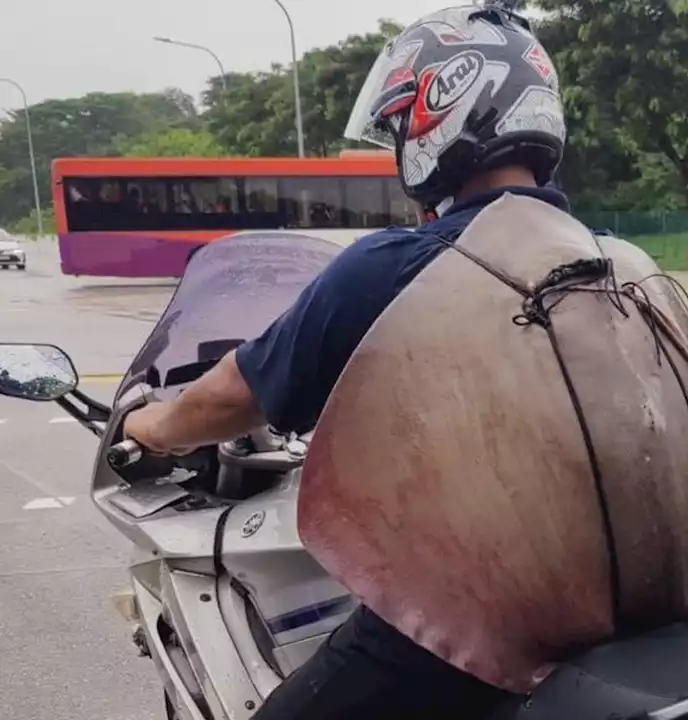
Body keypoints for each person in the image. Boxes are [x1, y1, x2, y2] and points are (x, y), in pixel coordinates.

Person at [122, 5, 575, 717]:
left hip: (474, 618)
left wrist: (149, 429)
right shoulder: (616, 264)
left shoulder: (407, 264)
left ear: (442, 113)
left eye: (401, 127)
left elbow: (238, 392)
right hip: (630, 600)